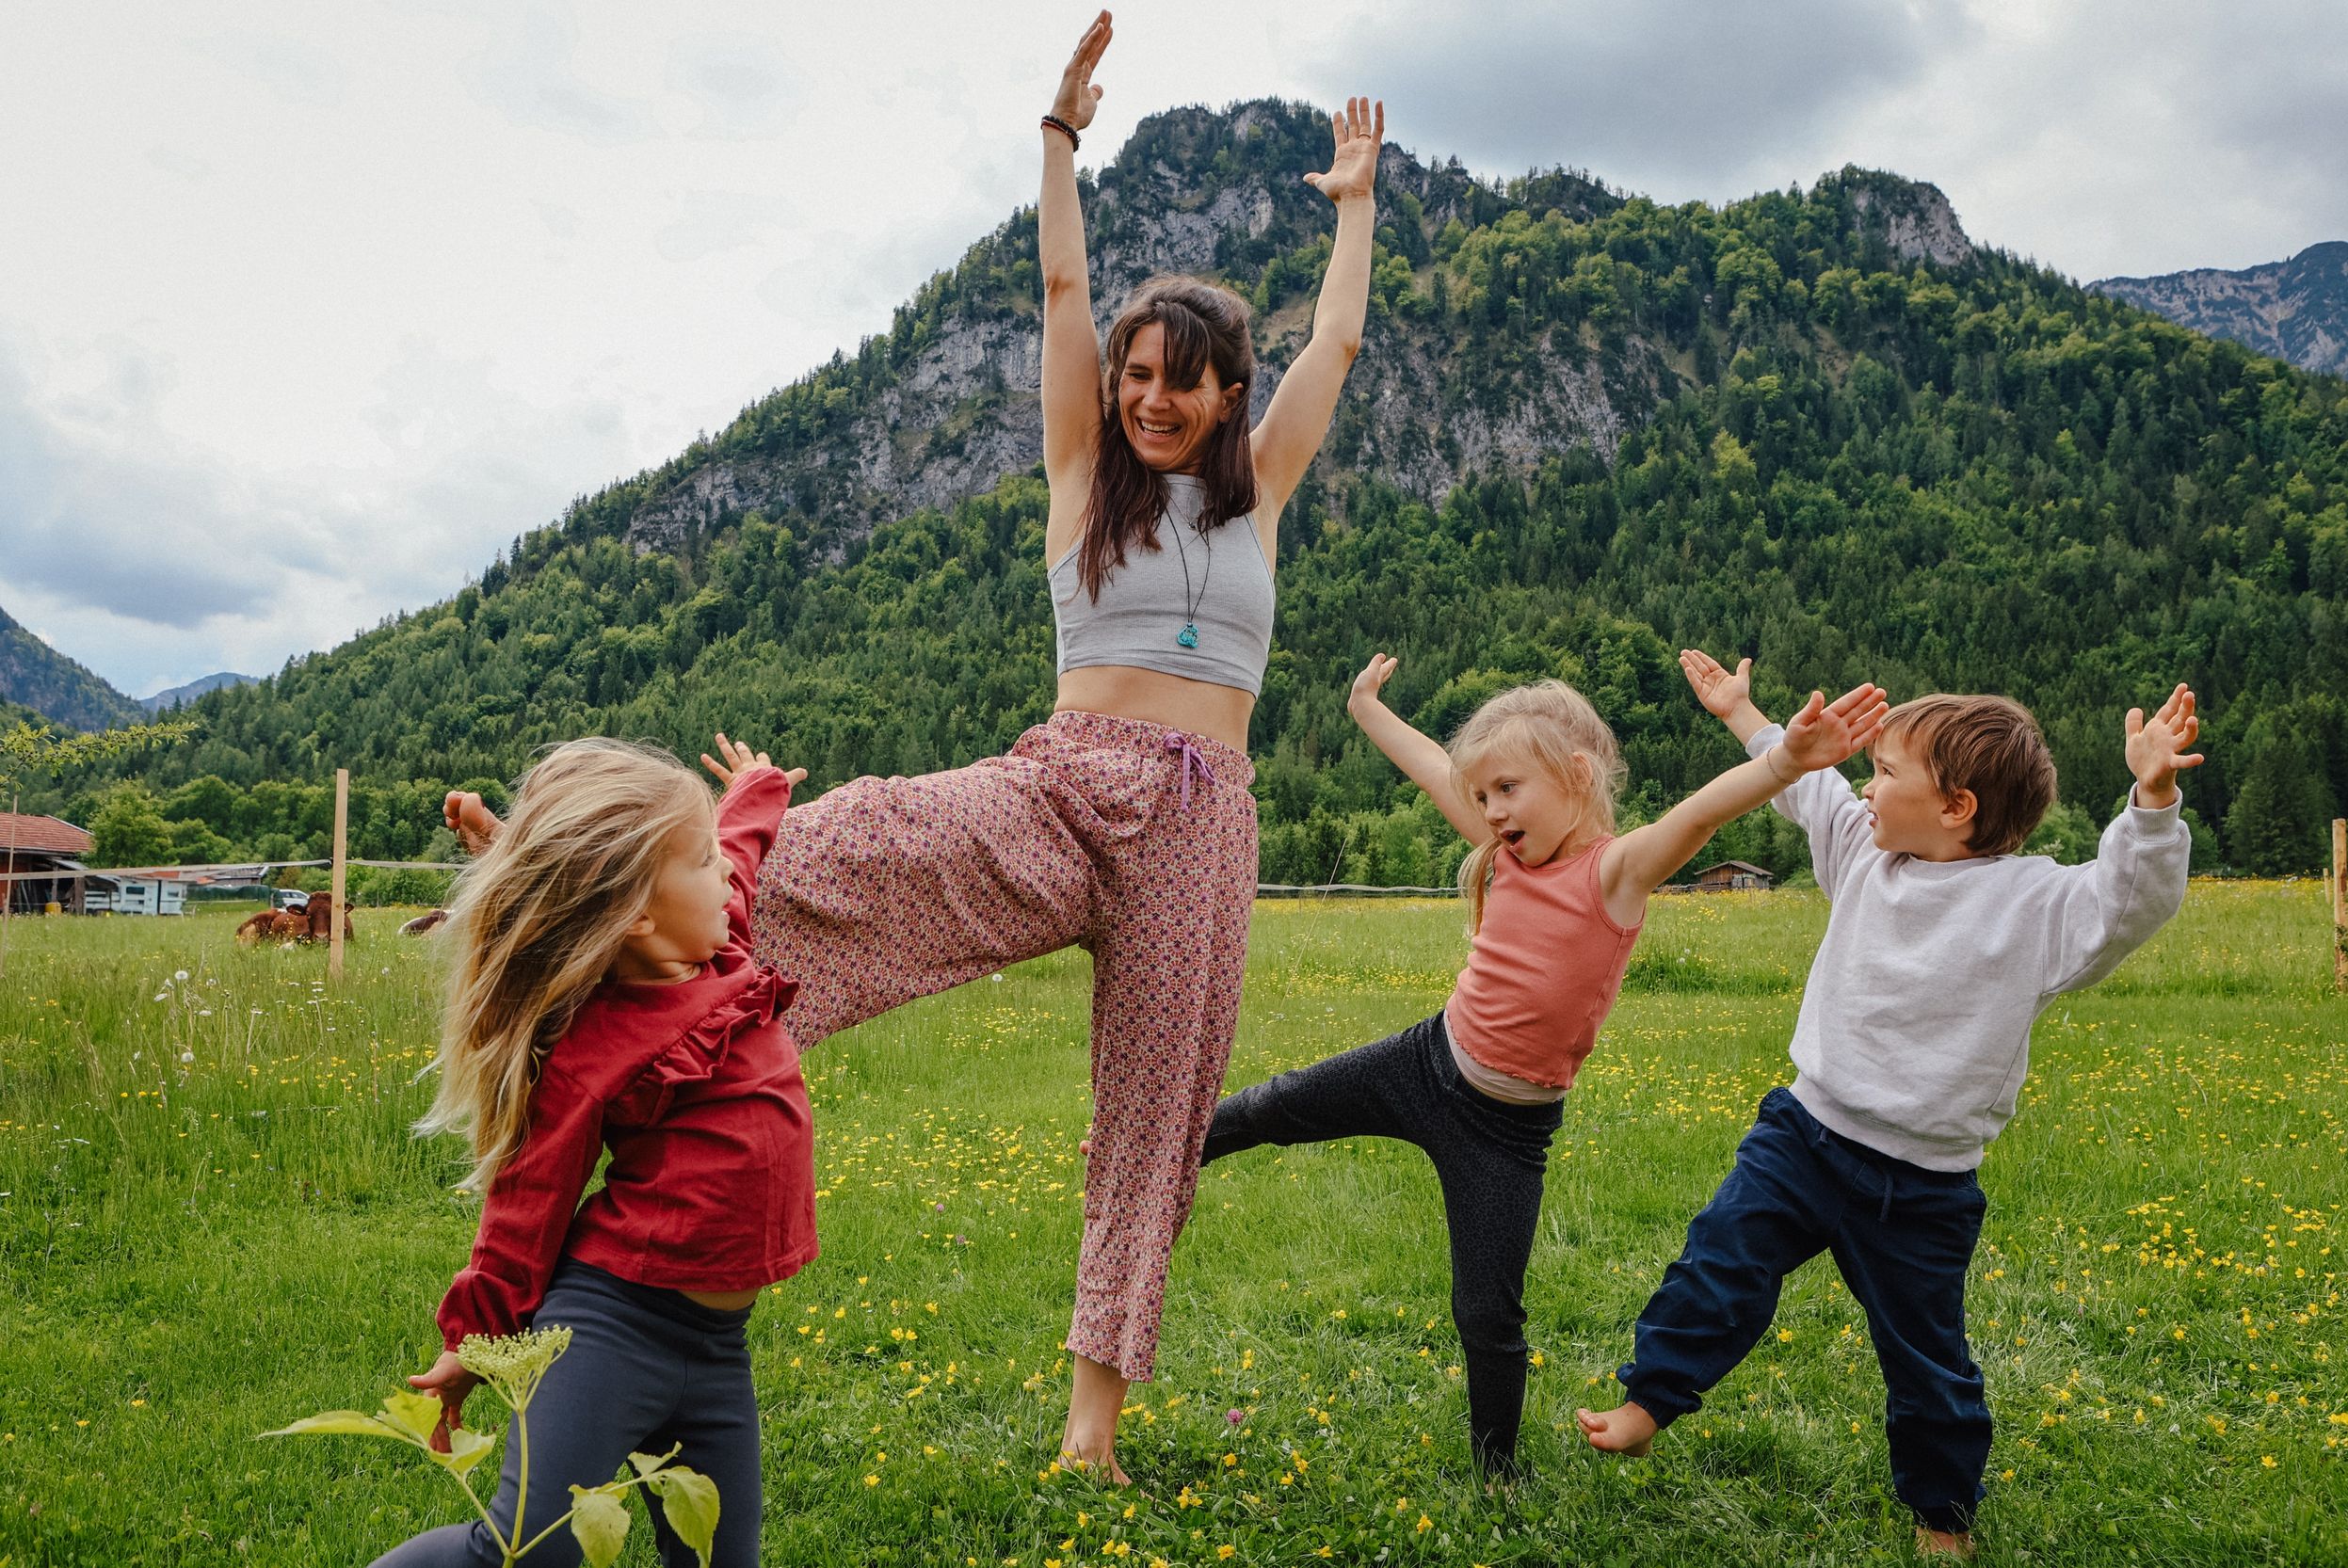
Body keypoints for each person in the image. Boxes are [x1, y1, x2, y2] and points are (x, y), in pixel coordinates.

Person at [446, 10, 1379, 1483]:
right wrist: (1061, 141)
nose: (1147, 396)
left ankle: (1091, 1432)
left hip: (1205, 824)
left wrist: (1355, 212)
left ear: (1224, 391)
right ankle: (576, 876)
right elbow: (1065, 280)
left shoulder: (1257, 493)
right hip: (1066, 784)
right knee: (853, 838)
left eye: (1178, 378)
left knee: (1153, 1123)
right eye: (1134, 373)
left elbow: (1337, 337)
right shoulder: (1084, 478)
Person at [1198, 653, 1889, 1475]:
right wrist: (1364, 709)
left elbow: (1700, 816)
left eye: (1506, 790)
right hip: (1425, 1063)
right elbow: (1429, 768)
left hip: (1507, 1131)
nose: (1489, 810)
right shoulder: (1507, 855)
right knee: (1273, 1107)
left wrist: (1783, 762)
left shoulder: (1617, 870)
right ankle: (1160, 1155)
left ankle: (1497, 1468)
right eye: (1482, 795)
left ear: (1575, 774)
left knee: (1487, 1310)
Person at [1578, 654, 2202, 1559]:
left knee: (1928, 1362)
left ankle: (1943, 1514)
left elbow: (2129, 901)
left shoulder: (2034, 904)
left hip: (1923, 1185)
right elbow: (1807, 792)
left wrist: (2150, 803)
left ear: (1958, 807)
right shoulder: (1867, 853)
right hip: (1803, 1135)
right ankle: (1648, 1400)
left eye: (1886, 772)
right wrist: (1745, 714)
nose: (1866, 790)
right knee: (1719, 1262)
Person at [382, 739, 812, 1567]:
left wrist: (758, 790)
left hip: (719, 1348)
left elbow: (741, 855)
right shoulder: (593, 1044)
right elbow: (525, 1207)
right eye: (701, 862)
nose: (724, 874)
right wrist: (473, 1342)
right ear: (638, 914)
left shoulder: (723, 958)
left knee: (724, 1560)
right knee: (523, 1552)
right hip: (611, 1328)